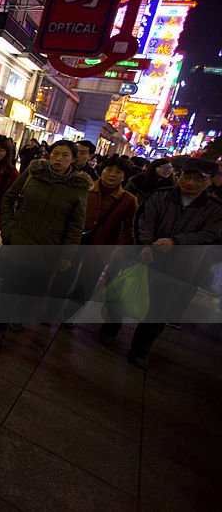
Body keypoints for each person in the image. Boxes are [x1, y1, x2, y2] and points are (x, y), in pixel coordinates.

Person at [98, 157, 222, 368]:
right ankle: (109, 330)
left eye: (198, 179)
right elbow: (142, 220)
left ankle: (140, 351)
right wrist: (146, 245)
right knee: (120, 293)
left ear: (210, 181)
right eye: (187, 177)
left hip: (180, 265)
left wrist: (176, 241)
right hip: (145, 257)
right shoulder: (160, 196)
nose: (190, 183)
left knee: (158, 310)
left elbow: (211, 235)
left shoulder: (215, 209)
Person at [0, 140, 91, 353]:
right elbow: (8, 200)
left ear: (73, 159)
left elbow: (75, 226)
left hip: (48, 250)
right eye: (55, 154)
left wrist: (67, 255)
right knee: (8, 289)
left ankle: (18, 316)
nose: (58, 159)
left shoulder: (78, 187)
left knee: (33, 291)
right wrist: (8, 229)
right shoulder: (34, 173)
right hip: (19, 241)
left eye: (64, 155)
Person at [45, 156, 136, 326]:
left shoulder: (129, 200)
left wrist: (120, 248)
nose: (112, 175)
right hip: (75, 242)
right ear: (102, 170)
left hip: (102, 248)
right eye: (109, 170)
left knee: (86, 283)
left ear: (124, 177)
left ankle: (68, 316)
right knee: (63, 277)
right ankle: (50, 312)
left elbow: (129, 229)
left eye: (118, 172)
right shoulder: (85, 188)